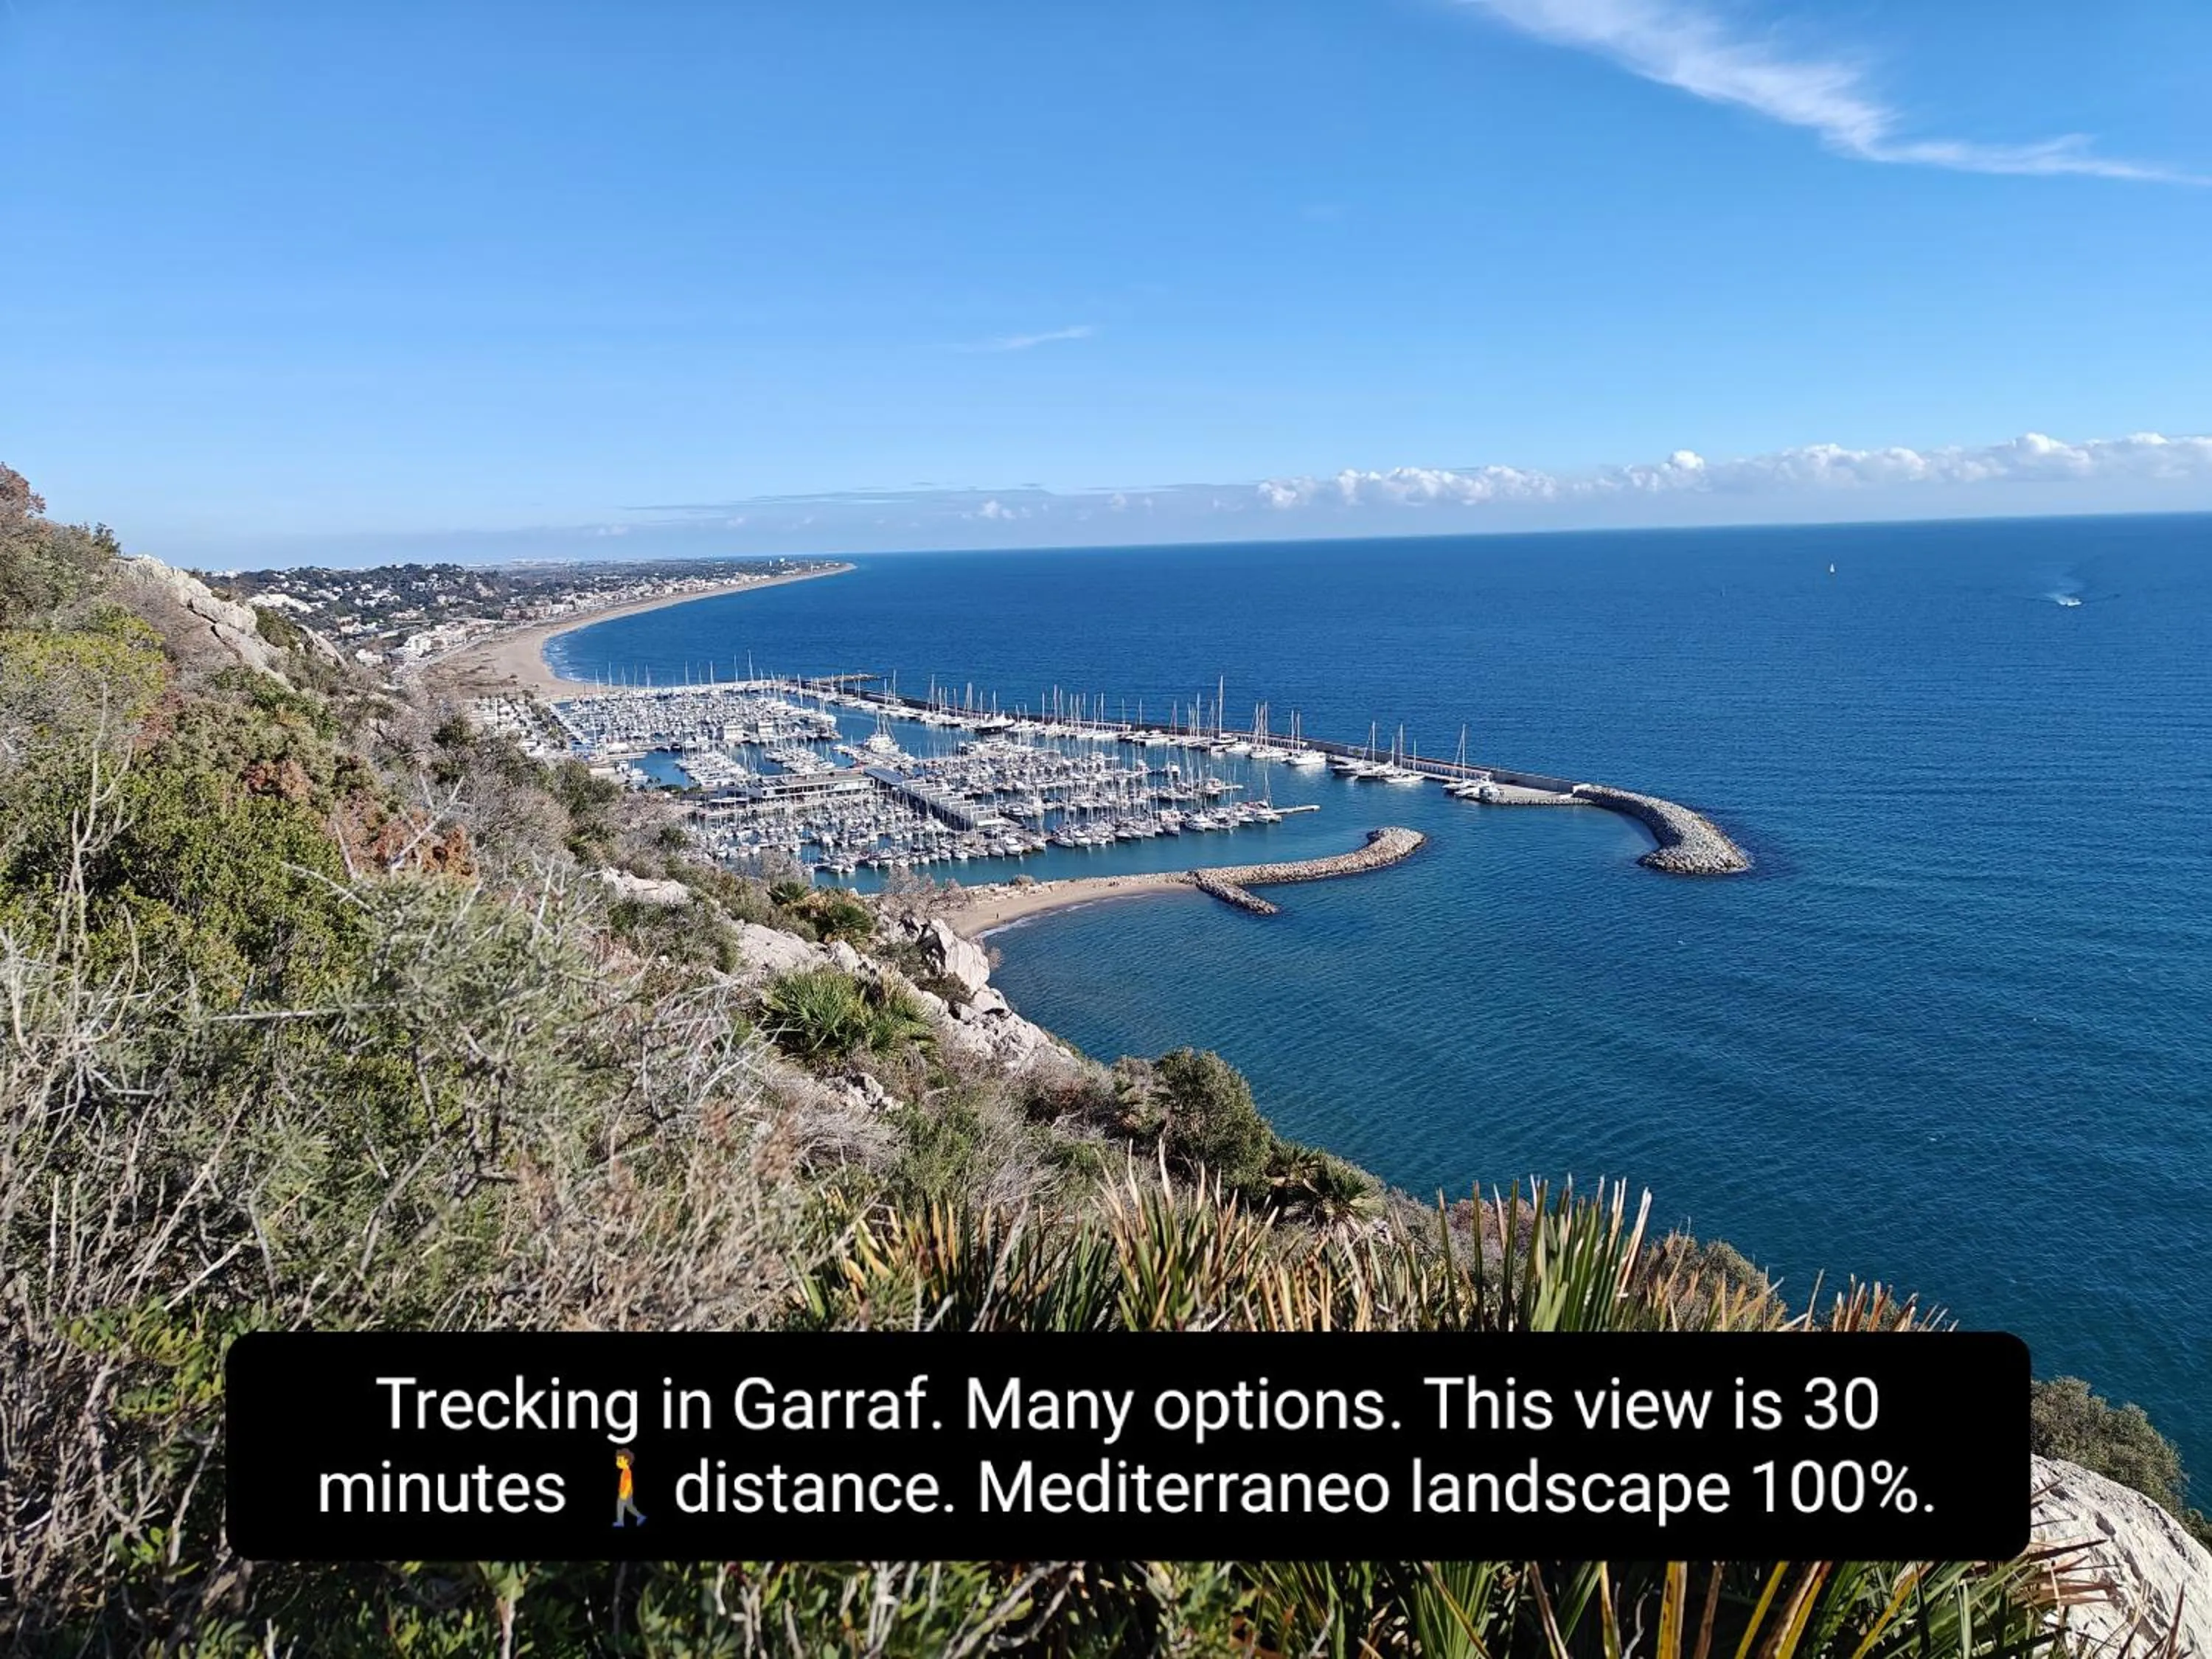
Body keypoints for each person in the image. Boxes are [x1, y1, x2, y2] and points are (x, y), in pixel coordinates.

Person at [613, 1448, 645, 1527]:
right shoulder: (625, 1471)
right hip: (627, 1493)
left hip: (625, 1493)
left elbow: (628, 1484)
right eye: (617, 1460)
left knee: (620, 1505)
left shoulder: (627, 1472)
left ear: (626, 1461)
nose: (617, 1463)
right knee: (630, 1507)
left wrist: (624, 1494)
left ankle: (620, 1522)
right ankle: (640, 1516)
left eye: (620, 1461)